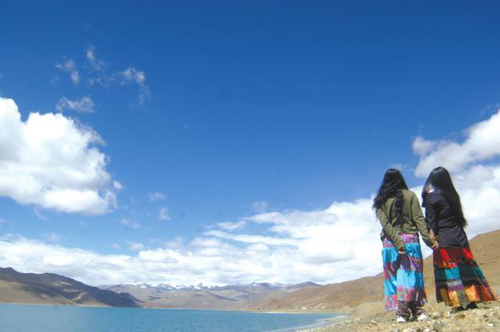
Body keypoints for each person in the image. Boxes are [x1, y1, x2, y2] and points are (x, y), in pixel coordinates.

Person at [422, 166, 497, 312]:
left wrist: (431, 238)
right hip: (460, 237)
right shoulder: (453, 196)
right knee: (466, 269)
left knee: (451, 272)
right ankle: (473, 300)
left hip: (444, 239)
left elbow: (431, 221)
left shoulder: (432, 197)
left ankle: (458, 304)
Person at [373, 169, 438, 323]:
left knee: (395, 277)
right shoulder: (411, 196)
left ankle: (402, 313)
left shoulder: (380, 200)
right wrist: (429, 241)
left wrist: (396, 241)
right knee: (412, 276)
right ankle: (416, 311)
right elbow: (419, 219)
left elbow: (385, 224)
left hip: (389, 243)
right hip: (410, 241)